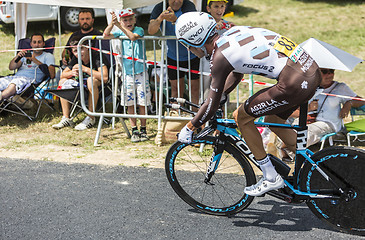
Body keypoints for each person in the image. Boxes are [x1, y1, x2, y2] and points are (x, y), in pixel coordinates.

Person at [175, 12, 322, 196]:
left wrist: (190, 127)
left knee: (241, 117)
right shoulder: (232, 33)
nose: (190, 51)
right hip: (311, 72)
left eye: (188, 46)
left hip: (293, 82)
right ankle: (317, 167)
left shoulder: (220, 57)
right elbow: (237, 73)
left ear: (195, 43)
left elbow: (211, 104)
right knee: (271, 119)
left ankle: (271, 177)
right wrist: (220, 96)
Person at [103, 8, 151, 142]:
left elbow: (132, 37)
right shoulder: (119, 30)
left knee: (142, 102)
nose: (128, 22)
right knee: (130, 102)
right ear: (121, 21)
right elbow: (105, 35)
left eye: (130, 19)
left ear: (135, 19)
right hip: (127, 72)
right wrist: (112, 24)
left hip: (141, 71)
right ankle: (134, 129)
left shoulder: (139, 29)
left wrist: (119, 26)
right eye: (125, 20)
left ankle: (143, 129)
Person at [148, 0, 200, 107]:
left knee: (194, 89)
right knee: (175, 89)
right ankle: (176, 116)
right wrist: (160, 18)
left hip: (192, 55)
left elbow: (192, 27)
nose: (176, 1)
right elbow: (151, 31)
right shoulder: (160, 7)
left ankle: (196, 118)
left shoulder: (189, 6)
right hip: (173, 56)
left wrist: (175, 20)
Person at [294, 68, 365, 147]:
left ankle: (295, 154)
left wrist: (349, 103)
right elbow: (295, 111)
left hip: (328, 123)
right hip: (307, 119)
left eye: (331, 71)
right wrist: (309, 108)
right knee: (290, 129)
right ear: (316, 73)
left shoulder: (340, 87)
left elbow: (362, 101)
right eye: (324, 72)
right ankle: (287, 153)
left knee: (308, 131)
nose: (329, 75)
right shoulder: (308, 86)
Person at [52, 35, 109, 131]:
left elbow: (105, 77)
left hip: (100, 88)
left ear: (87, 47)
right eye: (75, 51)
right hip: (81, 87)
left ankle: (91, 117)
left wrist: (86, 69)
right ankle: (66, 118)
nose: (78, 52)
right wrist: (72, 73)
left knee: (91, 80)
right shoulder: (76, 58)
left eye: (81, 49)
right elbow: (63, 75)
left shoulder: (97, 56)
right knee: (62, 81)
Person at [0, 33, 55, 101]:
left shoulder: (48, 56)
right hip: (15, 77)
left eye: (39, 42)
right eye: (34, 42)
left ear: (43, 44)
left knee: (14, 84)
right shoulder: (26, 54)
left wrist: (34, 60)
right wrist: (17, 57)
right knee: (2, 81)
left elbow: (52, 75)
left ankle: (1, 97)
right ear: (31, 44)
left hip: (29, 81)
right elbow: (11, 67)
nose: (37, 45)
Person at [202, 0, 235, 98]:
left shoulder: (227, 25)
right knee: (206, 92)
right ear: (208, 8)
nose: (219, 10)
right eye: (216, 6)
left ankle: (222, 111)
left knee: (223, 91)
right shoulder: (204, 23)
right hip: (207, 64)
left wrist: (234, 30)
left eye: (222, 6)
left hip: (223, 64)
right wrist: (212, 27)